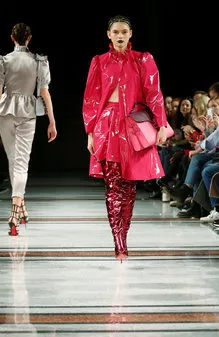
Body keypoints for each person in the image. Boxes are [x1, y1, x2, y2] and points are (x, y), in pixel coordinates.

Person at [82, 15, 168, 262]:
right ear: (108, 34)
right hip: (107, 126)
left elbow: (154, 93)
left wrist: (160, 123)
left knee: (129, 187)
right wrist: (90, 132)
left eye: (124, 32)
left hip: (132, 127)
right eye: (115, 32)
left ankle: (124, 237)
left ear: (131, 34)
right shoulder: (99, 62)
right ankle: (118, 241)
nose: (120, 36)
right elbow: (90, 99)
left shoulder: (143, 59)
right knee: (112, 186)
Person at [0, 23, 58, 236]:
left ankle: (20, 209)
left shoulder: (3, 60)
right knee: (20, 162)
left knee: (14, 160)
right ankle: (16, 210)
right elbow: (45, 94)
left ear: (12, 38)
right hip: (27, 113)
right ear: (30, 38)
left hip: (4, 112)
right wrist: (52, 121)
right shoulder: (39, 61)